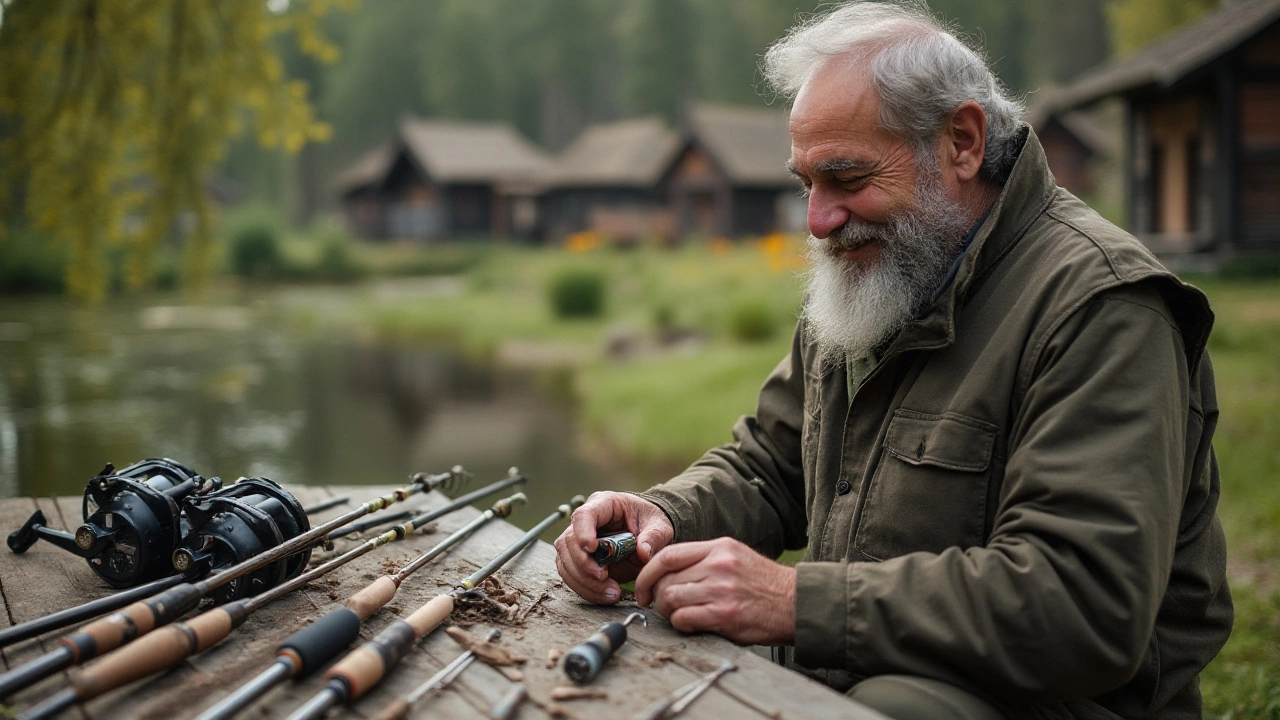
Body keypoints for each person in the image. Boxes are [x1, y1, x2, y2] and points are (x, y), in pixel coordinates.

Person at [553, 2, 1233, 718]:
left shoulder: (1102, 307)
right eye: (805, 184)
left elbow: (1084, 603)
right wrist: (660, 516)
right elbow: (771, 465)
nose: (817, 220)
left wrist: (795, 601)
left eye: (846, 179)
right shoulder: (880, 271)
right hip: (861, 660)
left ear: (963, 142)